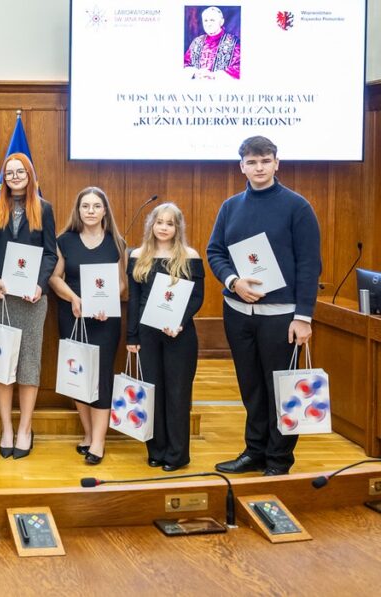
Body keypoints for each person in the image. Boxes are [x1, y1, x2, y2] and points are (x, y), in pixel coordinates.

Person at [207, 135, 321, 476]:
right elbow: (216, 252)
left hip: (282, 317)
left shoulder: (297, 206)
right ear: (242, 166)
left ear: (276, 163)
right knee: (251, 387)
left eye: (265, 161)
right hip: (239, 314)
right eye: (252, 162)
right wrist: (233, 282)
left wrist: (303, 317)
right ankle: (254, 451)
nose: (259, 167)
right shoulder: (230, 207)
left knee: (281, 390)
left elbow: (309, 264)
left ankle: (278, 460)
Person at [0, 153, 57, 460]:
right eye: (9, 173)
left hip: (31, 299)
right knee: (2, 365)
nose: (14, 177)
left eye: (19, 172)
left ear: (29, 175)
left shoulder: (44, 208)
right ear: (4, 178)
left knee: (28, 363)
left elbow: (50, 253)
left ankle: (25, 427)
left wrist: (40, 284)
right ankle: (6, 428)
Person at [49, 186, 127, 465]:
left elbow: (121, 282)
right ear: (78, 210)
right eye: (86, 206)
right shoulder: (64, 240)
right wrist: (74, 298)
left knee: (102, 376)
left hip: (105, 319)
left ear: (105, 210)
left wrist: (104, 302)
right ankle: (88, 432)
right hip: (72, 315)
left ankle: (98, 441)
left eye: (96, 206)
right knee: (78, 375)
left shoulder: (116, 242)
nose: (91, 211)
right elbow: (55, 278)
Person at [126, 203, 205, 472]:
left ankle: (177, 454)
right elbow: (135, 300)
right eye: (159, 222)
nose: (163, 227)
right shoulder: (138, 255)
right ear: (151, 225)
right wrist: (131, 337)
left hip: (179, 335)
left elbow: (196, 297)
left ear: (177, 227)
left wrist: (178, 323)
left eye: (169, 223)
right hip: (147, 335)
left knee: (177, 393)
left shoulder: (189, 256)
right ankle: (156, 450)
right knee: (153, 392)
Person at [183, 6, 240, 80]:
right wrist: (195, 73)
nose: (208, 24)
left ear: (221, 22)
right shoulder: (197, 42)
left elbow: (240, 67)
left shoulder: (234, 42)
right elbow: (185, 63)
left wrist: (214, 76)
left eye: (212, 20)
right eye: (205, 20)